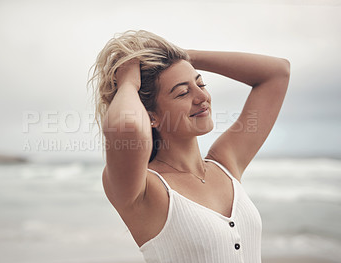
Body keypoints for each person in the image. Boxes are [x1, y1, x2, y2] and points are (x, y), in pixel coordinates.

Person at [88, 30, 290, 263]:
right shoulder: (143, 190)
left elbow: (278, 73)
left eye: (200, 83)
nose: (201, 97)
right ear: (151, 116)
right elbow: (126, 126)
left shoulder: (226, 164)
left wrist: (183, 57)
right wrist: (128, 82)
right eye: (183, 92)